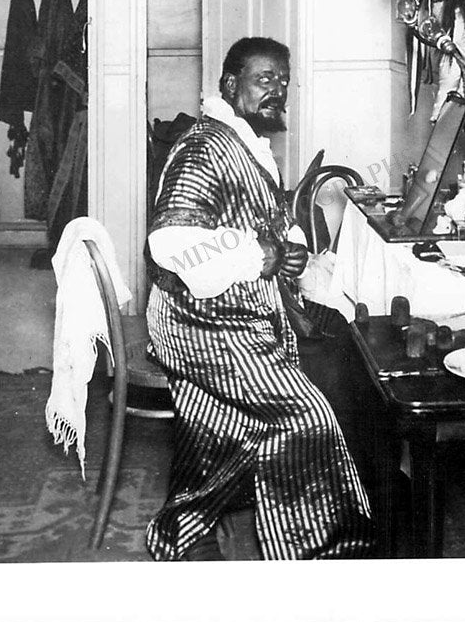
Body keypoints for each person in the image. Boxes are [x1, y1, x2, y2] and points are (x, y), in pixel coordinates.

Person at [144, 36, 373, 560]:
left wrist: (289, 249)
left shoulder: (245, 140)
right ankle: (317, 552)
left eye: (283, 81)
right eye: (264, 79)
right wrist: (259, 256)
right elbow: (169, 243)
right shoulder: (205, 148)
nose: (277, 90)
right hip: (195, 322)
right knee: (307, 416)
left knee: (336, 364)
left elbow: (267, 218)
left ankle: (202, 522)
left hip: (232, 313)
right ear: (231, 84)